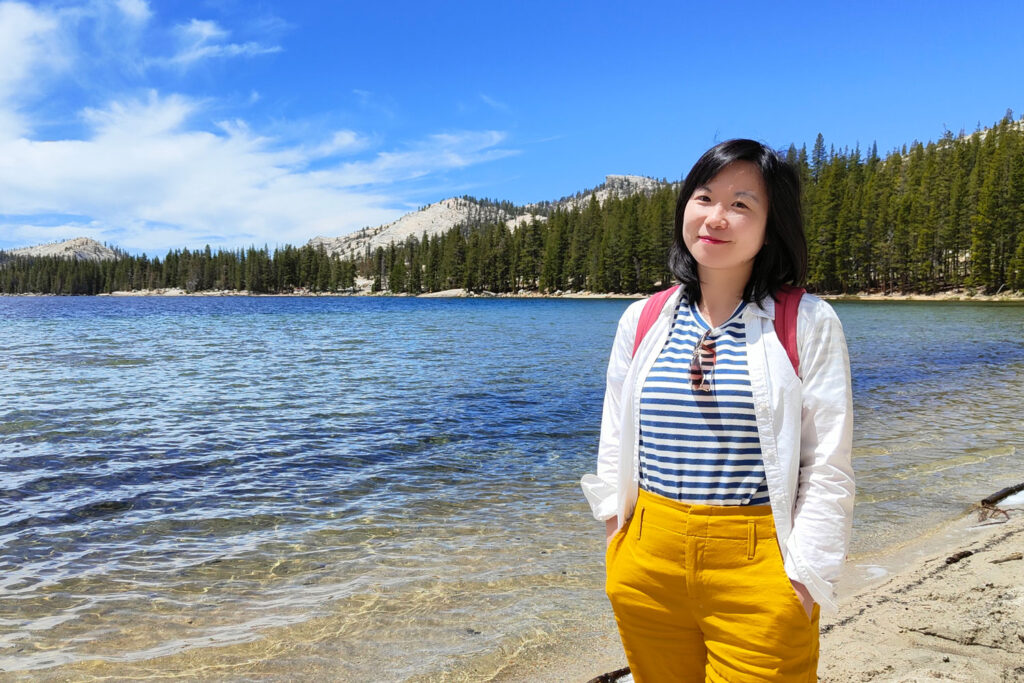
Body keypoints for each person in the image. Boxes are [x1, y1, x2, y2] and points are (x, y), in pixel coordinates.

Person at [580, 139, 854, 682]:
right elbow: (615, 433)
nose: (717, 218)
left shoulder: (806, 321)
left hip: (759, 562)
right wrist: (616, 531)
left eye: (742, 204)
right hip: (646, 557)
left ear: (771, 224)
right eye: (705, 197)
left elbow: (827, 463)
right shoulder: (643, 318)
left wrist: (802, 578)